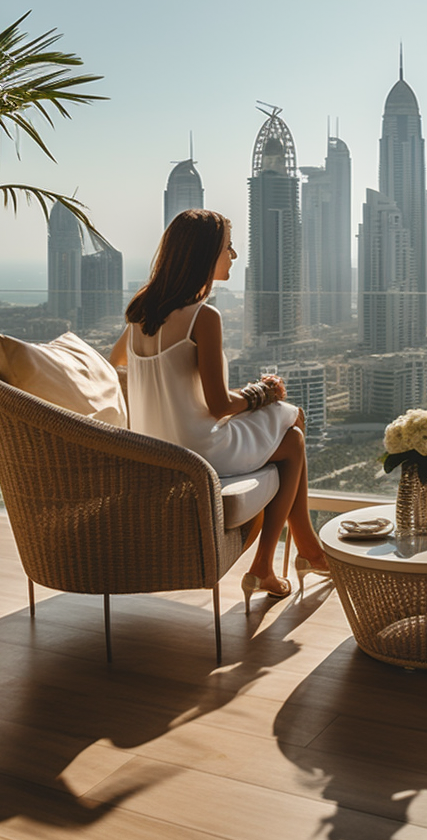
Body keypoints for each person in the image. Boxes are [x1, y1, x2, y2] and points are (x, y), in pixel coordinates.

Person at [110, 208, 330, 603]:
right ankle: (274, 563)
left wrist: (163, 397)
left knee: (290, 427)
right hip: (201, 450)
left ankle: (304, 552)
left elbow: (116, 366)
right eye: (228, 247)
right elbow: (217, 406)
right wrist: (265, 393)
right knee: (293, 432)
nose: (234, 255)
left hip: (158, 447)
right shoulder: (202, 318)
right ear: (205, 254)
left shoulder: (139, 312)